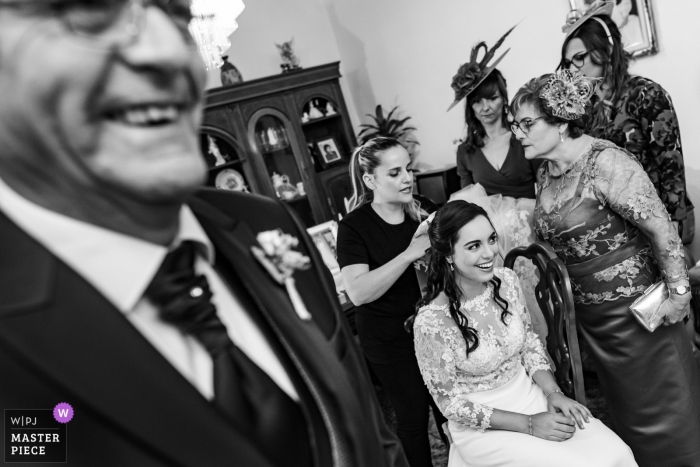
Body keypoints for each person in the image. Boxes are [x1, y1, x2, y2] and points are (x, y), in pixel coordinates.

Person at [0, 2, 407, 466]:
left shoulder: (265, 224)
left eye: (175, 14)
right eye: (94, 9)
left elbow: (372, 438)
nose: (171, 52)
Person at [510, 70, 700, 467]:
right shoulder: (545, 172)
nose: (518, 132)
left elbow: (661, 228)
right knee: (628, 417)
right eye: (516, 124)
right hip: (593, 321)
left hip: (642, 314)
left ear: (561, 122)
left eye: (527, 123)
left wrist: (680, 295)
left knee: (670, 412)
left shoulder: (606, 162)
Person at [412, 200, 637, 467]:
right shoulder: (431, 323)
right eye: (474, 246)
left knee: (616, 452)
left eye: (491, 239)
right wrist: (529, 425)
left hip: (531, 395)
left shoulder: (506, 280)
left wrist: (553, 393)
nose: (489, 253)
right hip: (484, 425)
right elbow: (449, 404)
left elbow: (529, 342)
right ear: (448, 254)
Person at [337, 137, 447, 467]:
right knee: (413, 420)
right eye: (395, 172)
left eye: (408, 169)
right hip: (389, 340)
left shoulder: (423, 210)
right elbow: (358, 292)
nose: (407, 178)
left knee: (449, 412)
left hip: (433, 331)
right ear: (370, 180)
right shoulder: (354, 227)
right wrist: (410, 254)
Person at [559, 1, 694, 244]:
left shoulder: (646, 94)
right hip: (615, 227)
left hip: (659, 216)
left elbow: (670, 163)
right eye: (568, 63)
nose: (573, 69)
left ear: (606, 50)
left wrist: (672, 222)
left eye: (579, 58)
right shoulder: (583, 110)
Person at [448, 26, 546, 341]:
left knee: (540, 306)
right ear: (469, 107)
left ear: (504, 97)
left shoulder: (523, 137)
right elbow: (464, 204)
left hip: (532, 236)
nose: (485, 108)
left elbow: (545, 187)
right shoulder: (466, 151)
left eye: (491, 98)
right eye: (477, 102)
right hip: (491, 244)